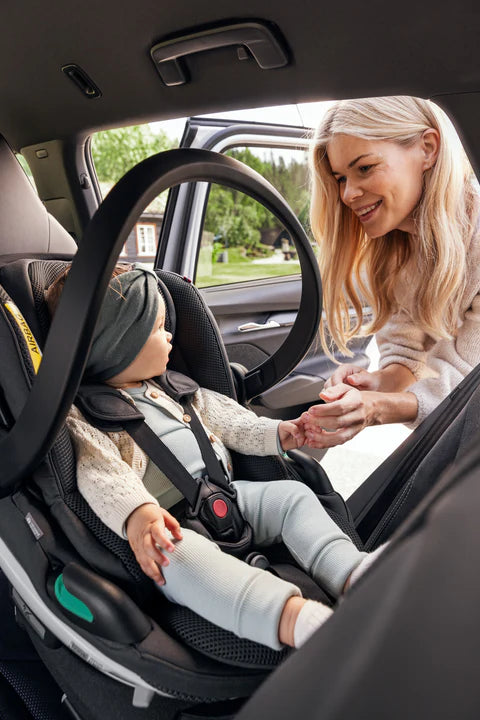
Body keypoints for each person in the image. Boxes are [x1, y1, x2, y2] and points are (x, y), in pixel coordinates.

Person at [46, 264, 378, 651]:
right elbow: (101, 474)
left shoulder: (179, 391)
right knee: (176, 560)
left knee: (292, 497)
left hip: (230, 495)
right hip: (172, 525)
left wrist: (277, 434)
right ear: (120, 344)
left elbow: (233, 422)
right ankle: (292, 618)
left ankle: (352, 571)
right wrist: (138, 516)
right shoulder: (88, 417)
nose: (170, 334)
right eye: (157, 329)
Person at [302, 95, 480, 450]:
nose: (349, 193)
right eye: (340, 177)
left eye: (364, 168)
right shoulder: (395, 250)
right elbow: (407, 354)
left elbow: (468, 384)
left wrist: (375, 408)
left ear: (428, 148)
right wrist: (377, 383)